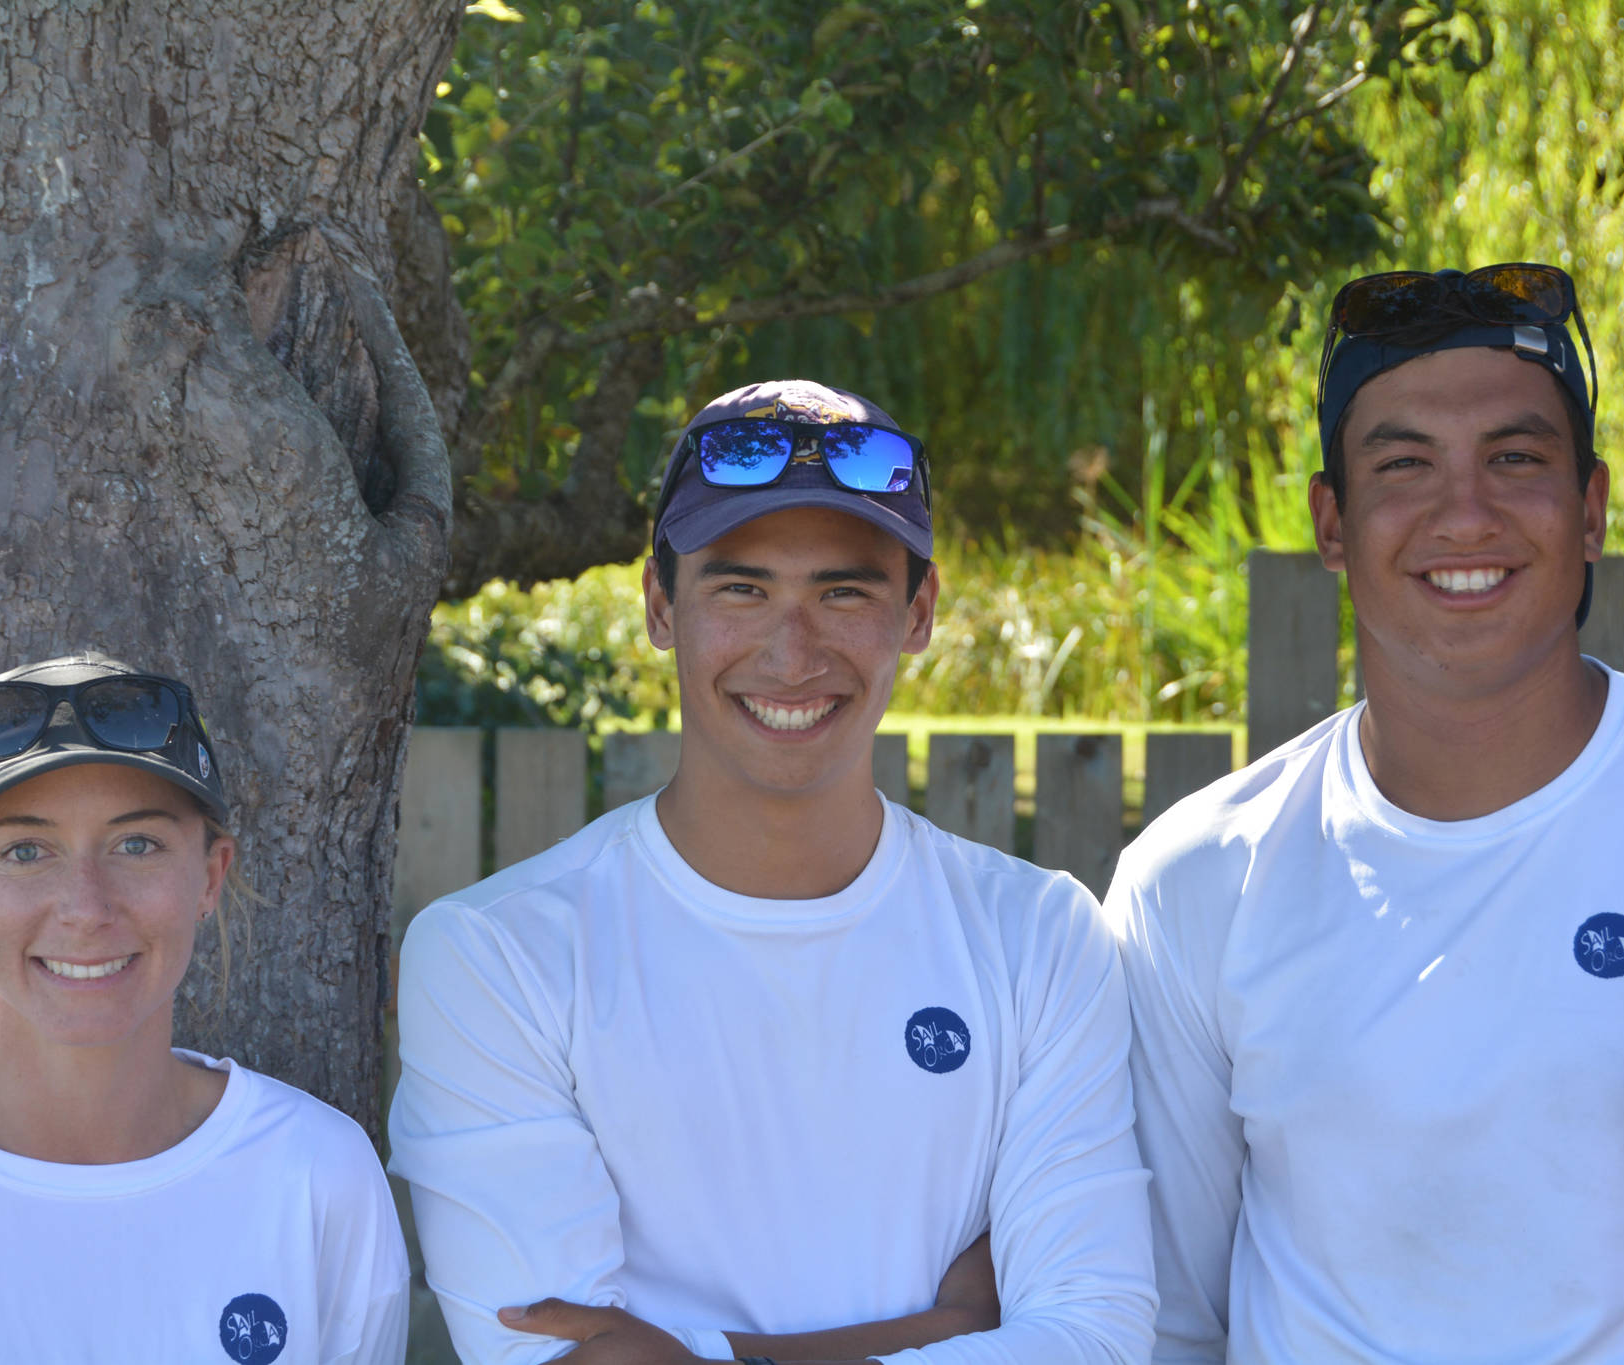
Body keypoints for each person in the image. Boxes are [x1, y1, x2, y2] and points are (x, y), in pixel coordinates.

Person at [1107, 263, 1624, 1362]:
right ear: (1331, 522)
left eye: (1514, 459)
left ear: (1588, 509)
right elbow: (1163, 1326)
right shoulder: (1196, 882)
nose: (1465, 514)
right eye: (1403, 465)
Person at [390, 379, 1157, 1365]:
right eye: (740, 589)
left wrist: (687, 1353)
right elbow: (546, 1356)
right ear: (662, 606)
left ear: (916, 614)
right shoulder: (498, 955)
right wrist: (951, 1329)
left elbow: (1095, 1342)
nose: (792, 654)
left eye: (844, 591)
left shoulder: (1038, 937)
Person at [0, 655, 409, 1364]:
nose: (86, 907)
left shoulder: (317, 1178)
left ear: (209, 876)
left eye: (136, 844)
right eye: (26, 850)